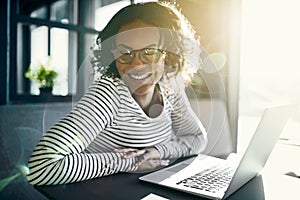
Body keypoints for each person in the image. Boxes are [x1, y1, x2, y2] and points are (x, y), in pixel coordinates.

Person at [26, 1, 207, 186]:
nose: (136, 65)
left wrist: (157, 151)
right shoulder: (107, 94)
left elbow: (198, 139)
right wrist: (128, 162)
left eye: (149, 52)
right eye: (125, 53)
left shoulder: (170, 88)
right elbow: (41, 167)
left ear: (167, 54)